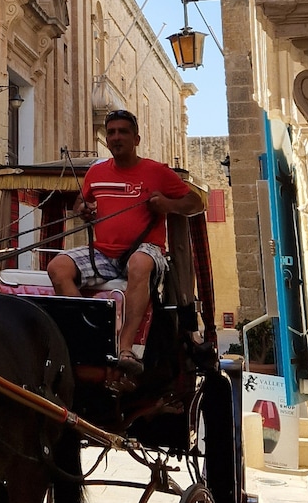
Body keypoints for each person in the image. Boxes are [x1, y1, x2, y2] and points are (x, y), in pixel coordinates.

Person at [46, 110, 203, 379]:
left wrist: (168, 205)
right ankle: (90, 334)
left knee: (138, 264)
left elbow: (196, 204)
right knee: (57, 266)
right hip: (103, 253)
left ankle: (126, 348)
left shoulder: (157, 172)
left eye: (123, 132)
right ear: (106, 139)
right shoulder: (96, 172)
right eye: (111, 132)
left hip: (147, 251)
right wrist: (84, 208)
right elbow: (81, 203)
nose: (116, 137)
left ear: (136, 138)